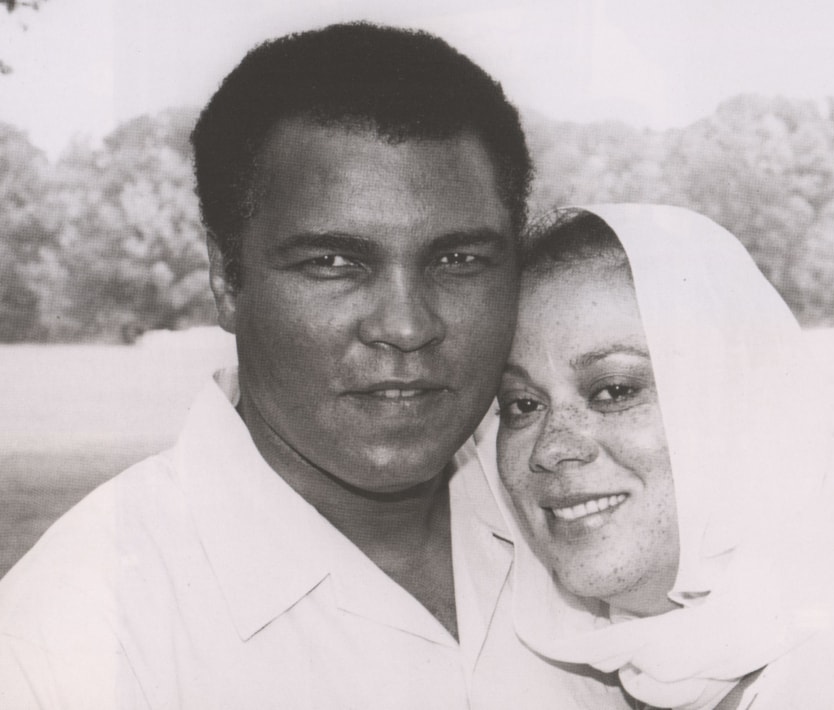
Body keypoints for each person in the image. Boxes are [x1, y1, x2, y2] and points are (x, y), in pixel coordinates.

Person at [0, 25, 633, 709]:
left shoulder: (594, 526)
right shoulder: (75, 638)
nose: (406, 326)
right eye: (334, 263)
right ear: (225, 278)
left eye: (459, 260)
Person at [488, 204, 834, 709]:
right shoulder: (605, 674)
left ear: (741, 404)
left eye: (614, 390)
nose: (553, 447)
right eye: (522, 404)